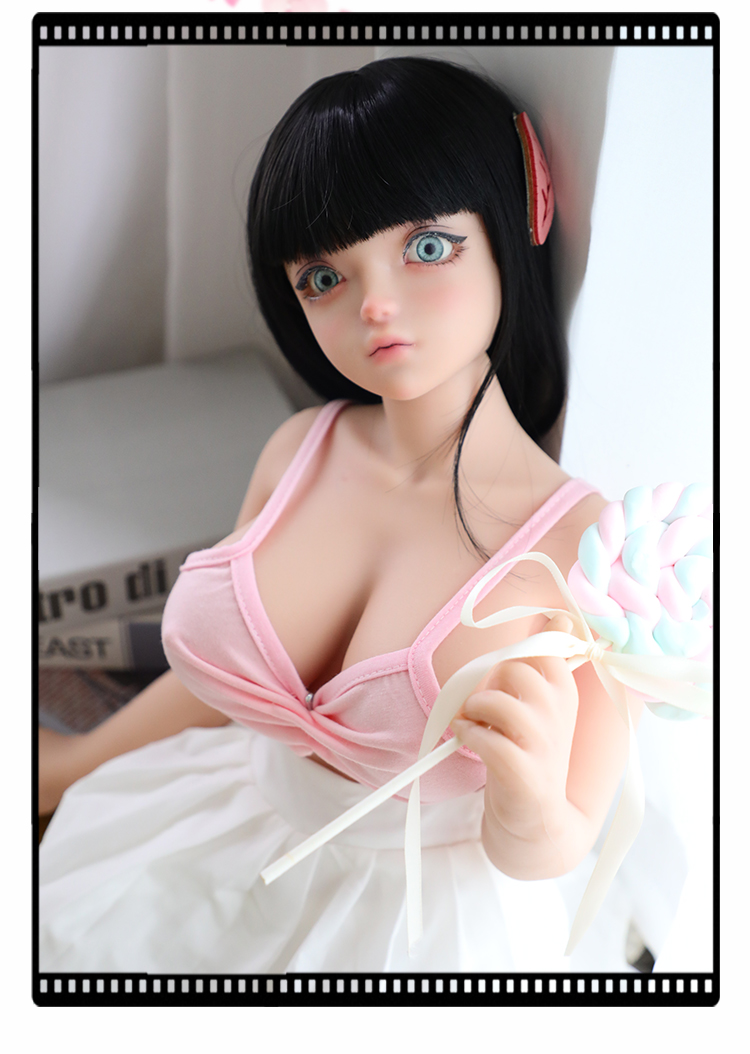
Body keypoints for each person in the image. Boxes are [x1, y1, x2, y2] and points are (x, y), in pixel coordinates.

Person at [38, 57, 646, 974]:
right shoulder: (301, 448)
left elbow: (562, 842)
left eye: (428, 248)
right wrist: (70, 767)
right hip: (228, 831)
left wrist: (530, 810)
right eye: (324, 276)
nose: (376, 306)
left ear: (514, 224)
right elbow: (224, 688)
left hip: (416, 930)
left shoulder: (587, 549)